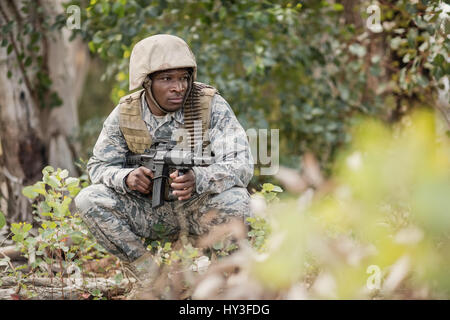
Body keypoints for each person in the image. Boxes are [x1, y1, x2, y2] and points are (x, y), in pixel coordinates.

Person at [74, 34, 254, 299]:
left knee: (237, 200)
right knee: (88, 199)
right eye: (167, 79)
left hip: (199, 209)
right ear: (146, 82)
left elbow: (241, 163)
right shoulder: (126, 114)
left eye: (183, 78)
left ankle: (228, 282)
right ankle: (151, 280)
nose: (178, 87)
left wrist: (199, 178)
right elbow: (99, 165)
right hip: (148, 212)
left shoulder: (208, 105)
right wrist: (127, 178)